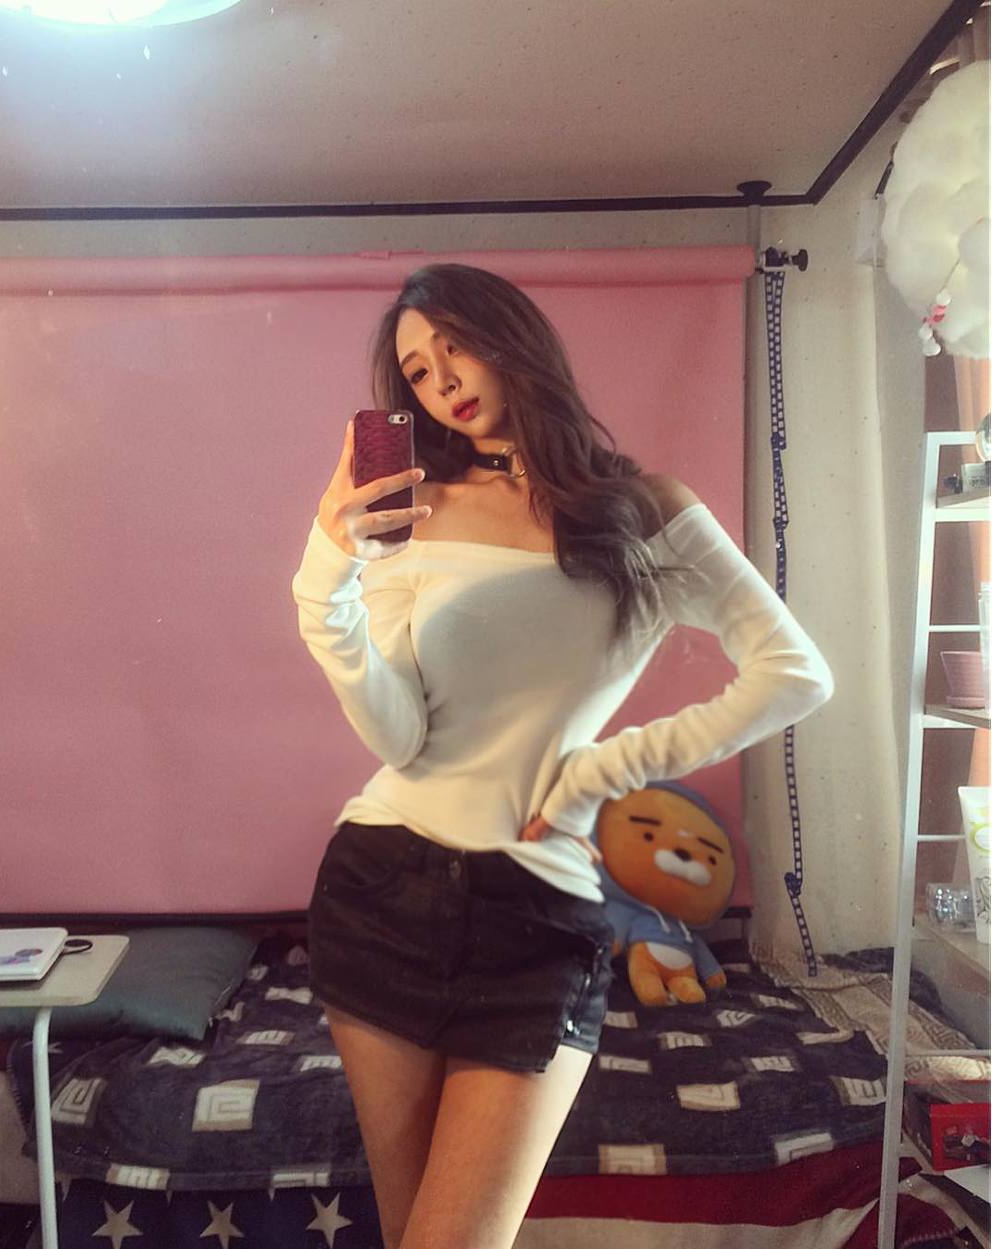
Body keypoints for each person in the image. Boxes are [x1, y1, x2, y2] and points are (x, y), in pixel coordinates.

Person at [291, 262, 834, 1249]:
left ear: (512, 337)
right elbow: (398, 735)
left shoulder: (645, 508)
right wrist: (325, 575)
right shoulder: (415, 510)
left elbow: (794, 672)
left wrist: (600, 771)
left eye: (454, 345)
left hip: (538, 913)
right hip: (381, 884)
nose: (441, 380)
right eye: (416, 371)